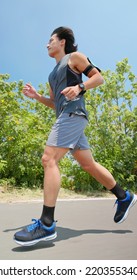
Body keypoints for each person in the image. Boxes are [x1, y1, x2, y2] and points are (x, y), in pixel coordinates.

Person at [14, 26, 136, 246]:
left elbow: (98, 79)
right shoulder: (52, 75)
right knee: (88, 165)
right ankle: (124, 196)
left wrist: (80, 86)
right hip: (66, 116)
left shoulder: (74, 58)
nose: (47, 44)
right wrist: (37, 96)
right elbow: (54, 103)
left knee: (49, 159)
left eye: (51, 40)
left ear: (62, 42)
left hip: (74, 114)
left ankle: (47, 223)